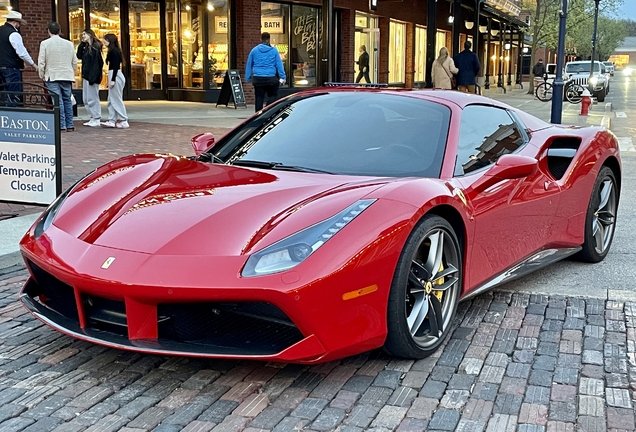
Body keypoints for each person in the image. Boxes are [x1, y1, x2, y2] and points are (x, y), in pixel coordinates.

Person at [38, 22, 77, 131]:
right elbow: (74, 61)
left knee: (57, 101)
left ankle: (62, 125)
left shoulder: (45, 43)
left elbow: (41, 62)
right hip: (66, 75)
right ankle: (70, 124)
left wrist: (42, 75)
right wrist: (71, 71)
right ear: (59, 31)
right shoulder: (69, 44)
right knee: (67, 100)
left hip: (52, 75)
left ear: (48, 31)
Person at [0, 10, 37, 106]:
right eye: (19, 23)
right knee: (13, 96)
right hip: (11, 69)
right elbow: (22, 52)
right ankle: (11, 118)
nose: (19, 25)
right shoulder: (14, 34)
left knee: (2, 96)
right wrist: (33, 64)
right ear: (15, 22)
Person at [245, 32, 286, 112]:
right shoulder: (274, 51)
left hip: (258, 78)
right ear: (269, 39)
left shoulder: (254, 50)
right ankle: (267, 110)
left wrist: (248, 77)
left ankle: (257, 115)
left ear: (261, 39)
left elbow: (249, 64)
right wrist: (283, 76)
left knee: (259, 97)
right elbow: (279, 65)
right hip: (271, 78)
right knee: (274, 95)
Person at [76, 29, 103, 127]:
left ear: (90, 35)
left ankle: (96, 117)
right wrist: (82, 44)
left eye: (84, 34)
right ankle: (92, 117)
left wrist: (94, 77)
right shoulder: (87, 47)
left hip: (92, 76)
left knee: (92, 98)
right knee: (86, 98)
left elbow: (97, 64)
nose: (83, 36)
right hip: (86, 75)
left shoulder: (95, 47)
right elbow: (79, 55)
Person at [102, 33, 129, 128]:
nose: (103, 41)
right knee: (111, 99)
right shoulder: (114, 51)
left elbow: (115, 66)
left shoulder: (114, 51)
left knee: (115, 99)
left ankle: (123, 119)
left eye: (105, 39)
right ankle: (112, 120)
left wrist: (112, 80)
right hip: (114, 75)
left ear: (110, 41)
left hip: (115, 75)